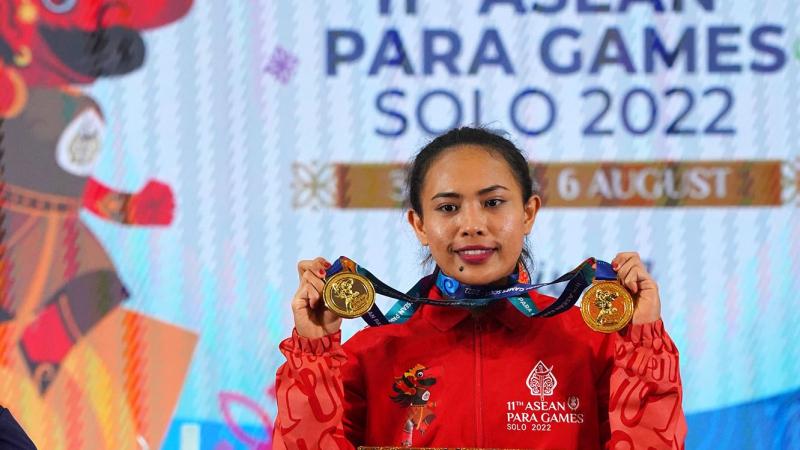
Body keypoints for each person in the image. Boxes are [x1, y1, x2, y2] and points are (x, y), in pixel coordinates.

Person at [272, 127, 687, 449]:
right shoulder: (371, 355)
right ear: (419, 224)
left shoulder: (588, 345)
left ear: (528, 213)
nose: (472, 224)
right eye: (448, 207)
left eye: (493, 203)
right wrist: (315, 352)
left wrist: (643, 345)